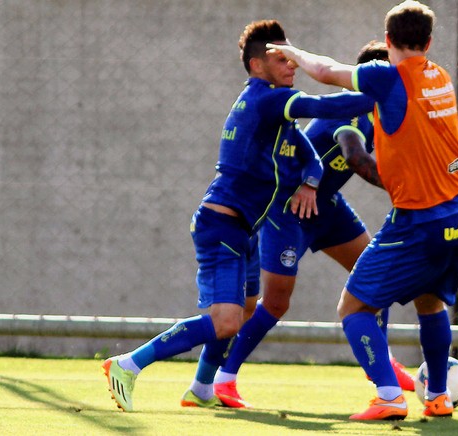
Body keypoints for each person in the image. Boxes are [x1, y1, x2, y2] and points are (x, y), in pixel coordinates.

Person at [102, 19, 376, 412]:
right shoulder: (267, 100)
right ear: (256, 65)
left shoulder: (273, 115)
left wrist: (310, 183)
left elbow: (310, 157)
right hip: (223, 226)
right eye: (280, 58)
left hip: (245, 229)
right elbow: (323, 106)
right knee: (227, 321)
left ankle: (201, 387)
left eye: (291, 56)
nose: (291, 64)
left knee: (247, 309)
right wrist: (380, 94)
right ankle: (127, 365)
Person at [268, 0, 458, 421]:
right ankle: (437, 396)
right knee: (430, 302)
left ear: (387, 41)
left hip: (419, 221)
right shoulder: (439, 76)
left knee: (353, 308)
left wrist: (295, 54)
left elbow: (327, 71)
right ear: (430, 41)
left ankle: (388, 395)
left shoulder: (387, 77)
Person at [182, 41, 414, 410]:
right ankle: (224, 378)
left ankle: (380, 363)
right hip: (291, 210)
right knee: (274, 303)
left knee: (373, 275)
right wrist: (407, 188)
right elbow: (355, 155)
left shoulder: (381, 114)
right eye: (392, 77)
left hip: (328, 208)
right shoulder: (350, 114)